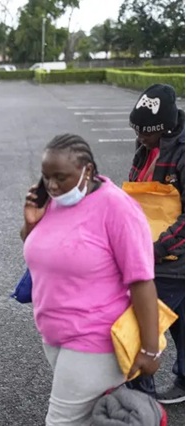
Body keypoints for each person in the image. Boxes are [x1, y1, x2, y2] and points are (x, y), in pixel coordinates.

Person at [21, 134, 161, 425]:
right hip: (55, 333)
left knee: (62, 421)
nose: (53, 186)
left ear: (87, 169)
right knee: (88, 418)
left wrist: (149, 349)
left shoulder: (117, 208)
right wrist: (30, 225)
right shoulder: (54, 202)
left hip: (96, 337)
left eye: (61, 177)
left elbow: (142, 281)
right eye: (46, 178)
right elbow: (42, 252)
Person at [126, 83, 185, 405]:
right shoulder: (147, 144)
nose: (140, 139)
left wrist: (154, 250)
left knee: (138, 327)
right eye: (136, 131)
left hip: (171, 260)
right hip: (150, 250)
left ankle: (141, 403)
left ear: (164, 129)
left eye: (146, 134)